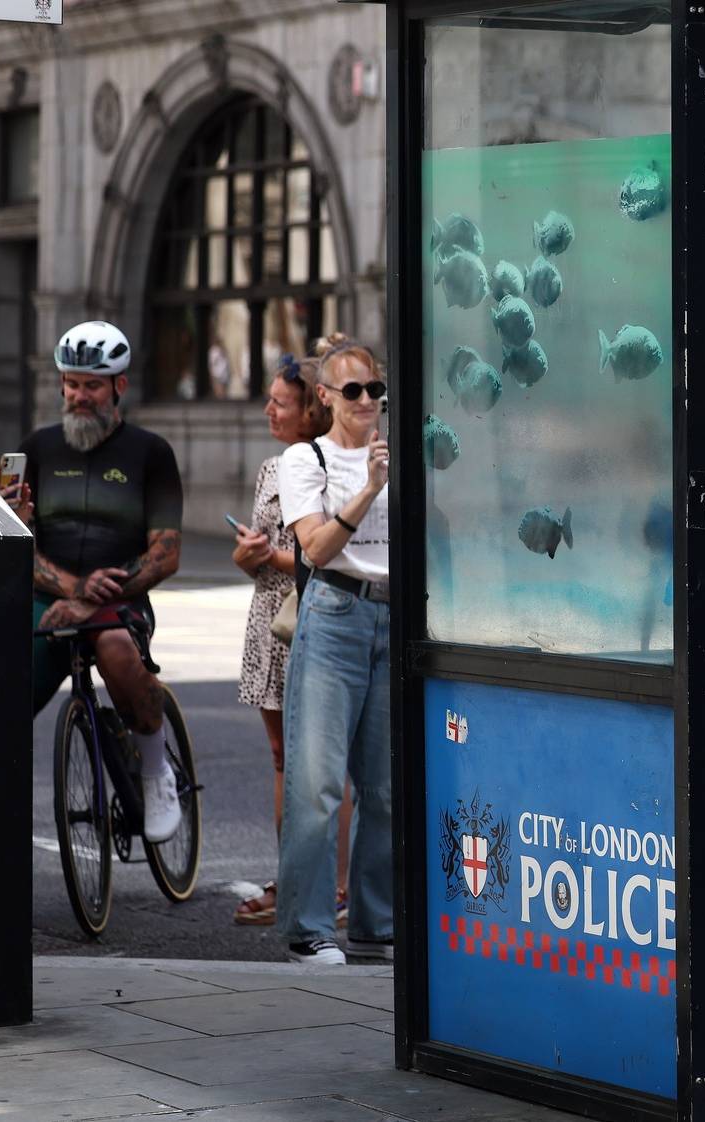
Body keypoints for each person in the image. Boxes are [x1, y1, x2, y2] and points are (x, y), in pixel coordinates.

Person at [3, 321, 184, 844]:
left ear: (118, 388)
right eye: (73, 384)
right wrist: (68, 587)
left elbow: (166, 552)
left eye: (93, 385)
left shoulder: (152, 453)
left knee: (116, 649)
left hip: (118, 600)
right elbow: (12, 539)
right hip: (51, 601)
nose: (80, 396)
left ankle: (155, 771)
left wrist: (100, 593)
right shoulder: (34, 449)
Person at [278, 333, 392, 966]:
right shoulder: (307, 459)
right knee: (319, 784)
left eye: (375, 388)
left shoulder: (397, 453)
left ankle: (377, 927)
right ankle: (308, 929)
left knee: (384, 788)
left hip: (390, 618)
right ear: (325, 397)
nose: (367, 400)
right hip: (334, 614)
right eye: (353, 390)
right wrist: (370, 488)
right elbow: (314, 550)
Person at [231, 356, 352, 927]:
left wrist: (272, 556)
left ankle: (340, 886)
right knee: (283, 759)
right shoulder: (269, 468)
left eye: (280, 401)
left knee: (326, 764)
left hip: (315, 616)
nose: (269, 410)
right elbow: (261, 556)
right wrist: (246, 556)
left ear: (311, 408)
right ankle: (292, 878)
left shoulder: (331, 465)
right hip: (270, 625)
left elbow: (324, 551)